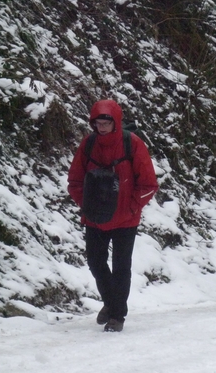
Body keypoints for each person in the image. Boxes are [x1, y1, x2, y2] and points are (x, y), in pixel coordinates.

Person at [67, 100, 158, 332]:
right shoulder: (88, 145)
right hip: (95, 218)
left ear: (116, 121)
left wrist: (131, 208)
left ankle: (117, 315)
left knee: (121, 267)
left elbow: (148, 183)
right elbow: (75, 181)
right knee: (96, 263)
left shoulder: (133, 144)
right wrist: (86, 204)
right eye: (99, 122)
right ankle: (111, 303)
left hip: (125, 220)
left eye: (107, 121)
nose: (103, 126)